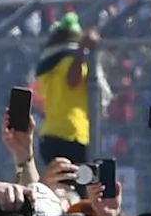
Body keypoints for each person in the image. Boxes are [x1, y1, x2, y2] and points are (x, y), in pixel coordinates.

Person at [31, 15, 101, 166]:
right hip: (71, 135)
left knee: (60, 187)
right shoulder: (69, 60)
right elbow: (72, 80)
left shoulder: (48, 64)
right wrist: (82, 50)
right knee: (80, 187)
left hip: (50, 136)